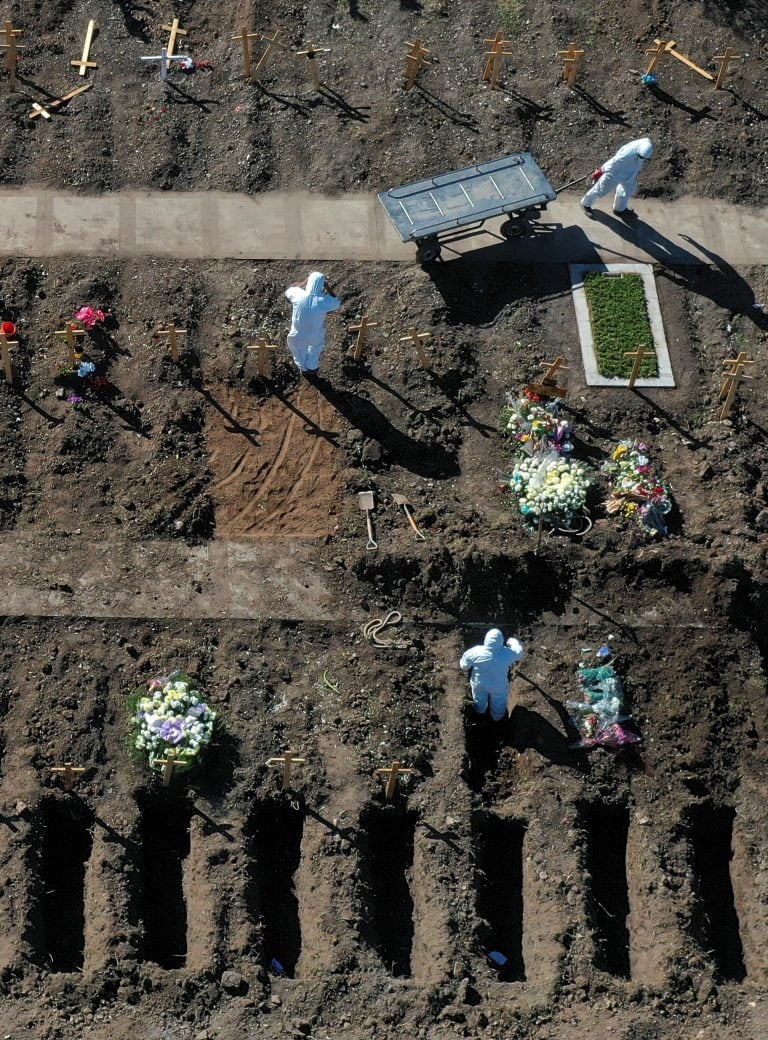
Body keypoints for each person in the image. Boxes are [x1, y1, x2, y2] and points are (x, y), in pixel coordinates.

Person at [460, 629, 525, 722]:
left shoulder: (475, 651)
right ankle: (497, 718)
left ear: (486, 640)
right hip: (498, 685)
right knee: (499, 702)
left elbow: (464, 666)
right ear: (501, 641)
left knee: (479, 699)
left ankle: (480, 712)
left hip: (479, 683)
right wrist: (513, 642)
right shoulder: (506, 653)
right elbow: (519, 653)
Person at [580, 137, 654, 217]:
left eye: (643, 158)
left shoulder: (646, 146)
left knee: (627, 190)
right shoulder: (628, 152)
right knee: (601, 189)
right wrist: (600, 171)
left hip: (631, 172)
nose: (642, 158)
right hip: (616, 172)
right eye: (641, 157)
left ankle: (619, 209)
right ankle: (585, 204)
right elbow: (614, 162)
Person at [285, 271, 341, 373]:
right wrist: (328, 288)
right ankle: (312, 366)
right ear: (321, 285)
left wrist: (305, 281)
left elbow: (289, 291)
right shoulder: (323, 301)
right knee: (315, 349)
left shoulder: (298, 295)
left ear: (309, 283)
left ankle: (302, 368)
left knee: (298, 351)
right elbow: (337, 302)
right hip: (315, 334)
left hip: (297, 333)